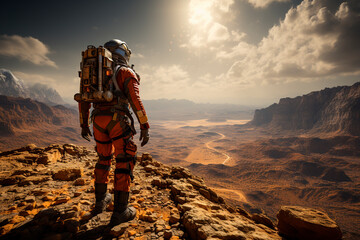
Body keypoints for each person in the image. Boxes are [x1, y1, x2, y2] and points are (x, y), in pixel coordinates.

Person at [78, 39, 150, 226]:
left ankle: (101, 201)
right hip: (118, 121)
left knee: (103, 160)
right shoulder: (125, 72)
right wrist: (144, 125)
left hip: (98, 122)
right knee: (124, 162)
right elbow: (135, 100)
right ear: (124, 53)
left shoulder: (93, 71)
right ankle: (120, 211)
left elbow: (84, 99)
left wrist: (84, 124)